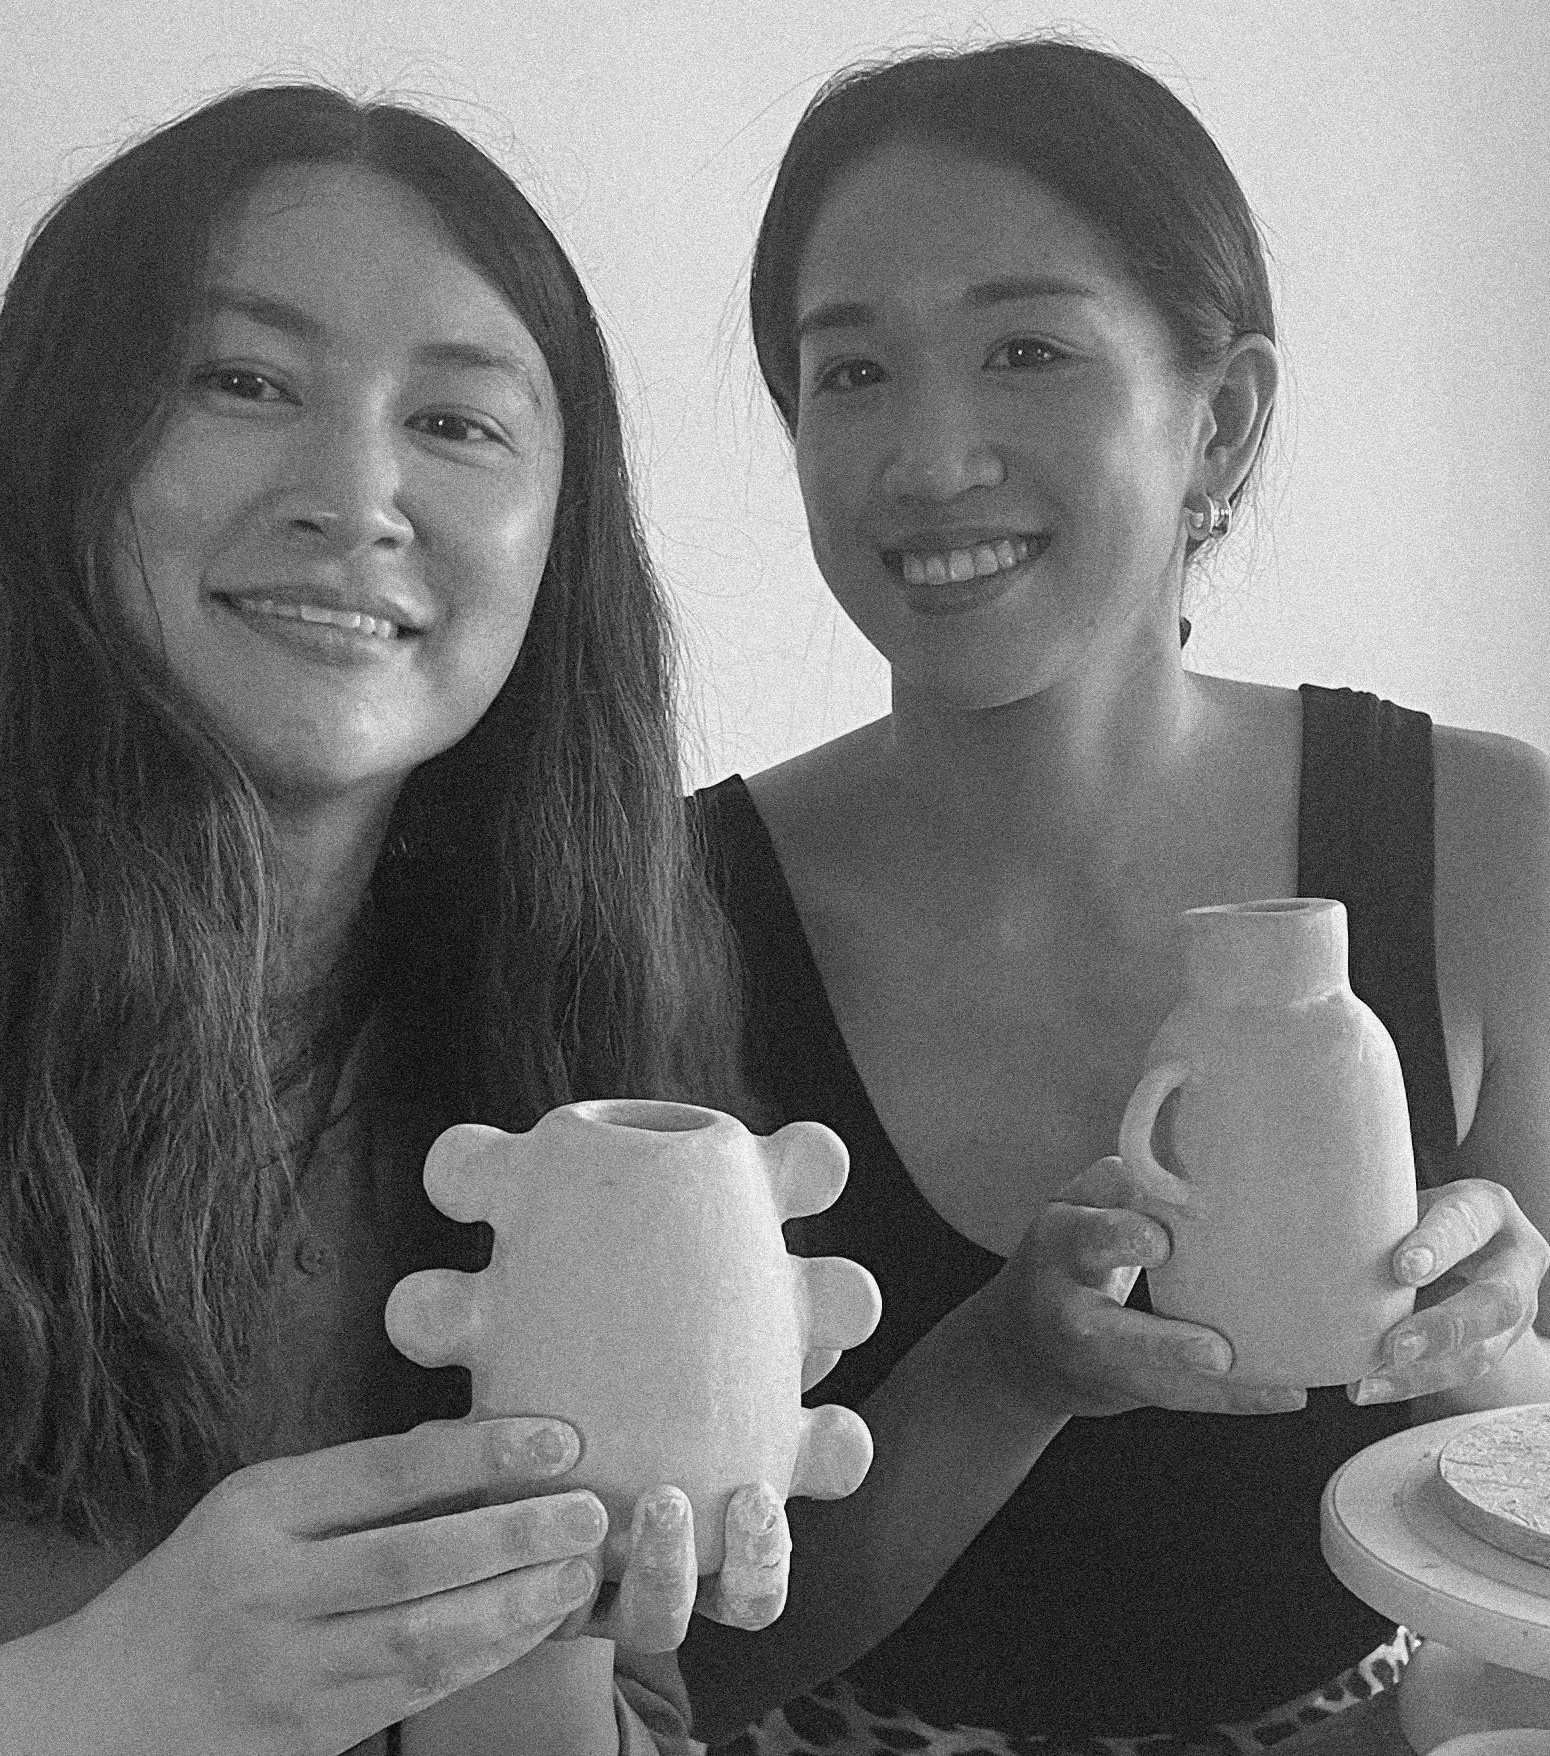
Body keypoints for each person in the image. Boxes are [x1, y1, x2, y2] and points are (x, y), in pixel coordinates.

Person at [0, 83, 808, 1756]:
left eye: (460, 423)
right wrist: (113, 1700)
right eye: (241, 382)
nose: (356, 494)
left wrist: (543, 1597)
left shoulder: (564, 1064)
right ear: (56, 454)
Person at [683, 39, 1550, 1755]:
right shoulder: (667, 909)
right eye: (849, 372)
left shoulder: (1491, 843)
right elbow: (688, 1661)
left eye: (1027, 349)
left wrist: (1483, 1348)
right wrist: (1008, 1369)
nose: (929, 458)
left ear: (1217, 415)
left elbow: (1520, 1523)